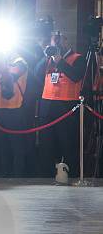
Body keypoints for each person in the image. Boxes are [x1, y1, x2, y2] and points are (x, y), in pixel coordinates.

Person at [36, 32, 85, 178]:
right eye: (54, 40)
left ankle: (71, 176)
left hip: (67, 106)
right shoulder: (48, 60)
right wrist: (46, 56)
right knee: (47, 144)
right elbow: (36, 73)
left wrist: (59, 60)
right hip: (47, 106)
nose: (57, 43)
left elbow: (76, 76)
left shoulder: (77, 58)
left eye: (60, 39)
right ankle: (46, 175)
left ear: (67, 40)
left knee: (67, 143)